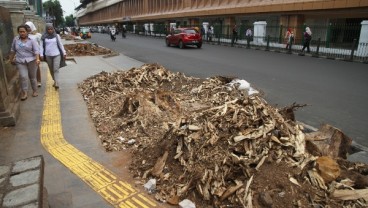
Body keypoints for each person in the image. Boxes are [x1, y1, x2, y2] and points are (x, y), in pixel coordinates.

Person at [9, 25, 40, 100]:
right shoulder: (16, 39)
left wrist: (37, 59)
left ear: (27, 32)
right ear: (18, 32)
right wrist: (11, 58)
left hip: (31, 60)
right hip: (20, 61)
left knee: (32, 77)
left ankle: (35, 90)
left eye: (23, 32)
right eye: (20, 32)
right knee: (23, 77)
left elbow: (36, 50)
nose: (22, 33)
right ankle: (25, 93)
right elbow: (13, 50)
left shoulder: (32, 40)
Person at [40, 23, 66, 89]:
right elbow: (41, 46)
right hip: (48, 55)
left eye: (51, 29)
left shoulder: (56, 36)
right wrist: (41, 54)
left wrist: (64, 52)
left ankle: (57, 82)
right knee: (51, 69)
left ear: (53, 29)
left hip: (57, 54)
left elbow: (60, 44)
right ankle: (55, 80)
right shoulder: (43, 37)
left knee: (55, 69)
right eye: (48, 29)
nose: (50, 30)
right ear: (46, 29)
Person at [25, 21, 42, 87]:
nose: (27, 28)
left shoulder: (37, 35)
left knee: (37, 68)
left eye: (28, 27)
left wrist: (40, 54)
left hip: (35, 54)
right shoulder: (24, 35)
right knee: (28, 69)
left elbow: (40, 45)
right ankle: (32, 81)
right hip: (27, 54)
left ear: (32, 27)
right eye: (26, 27)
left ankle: (39, 81)